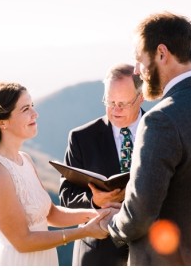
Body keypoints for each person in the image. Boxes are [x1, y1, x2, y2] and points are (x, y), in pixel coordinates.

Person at [102, 12, 191, 265]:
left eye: (139, 60)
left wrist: (111, 223)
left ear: (162, 54)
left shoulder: (161, 120)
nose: (137, 70)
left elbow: (139, 215)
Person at [0, 82, 112, 265]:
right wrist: (84, 231)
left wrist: (99, 214)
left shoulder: (25, 159)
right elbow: (22, 242)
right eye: (25, 109)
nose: (35, 114)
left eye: (32, 106)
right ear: (1, 122)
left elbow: (50, 214)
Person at [59, 63, 144, 265]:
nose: (115, 110)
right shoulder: (81, 138)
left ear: (141, 97)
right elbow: (66, 196)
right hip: (98, 255)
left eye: (122, 103)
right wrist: (95, 200)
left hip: (153, 250)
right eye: (110, 101)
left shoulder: (163, 132)